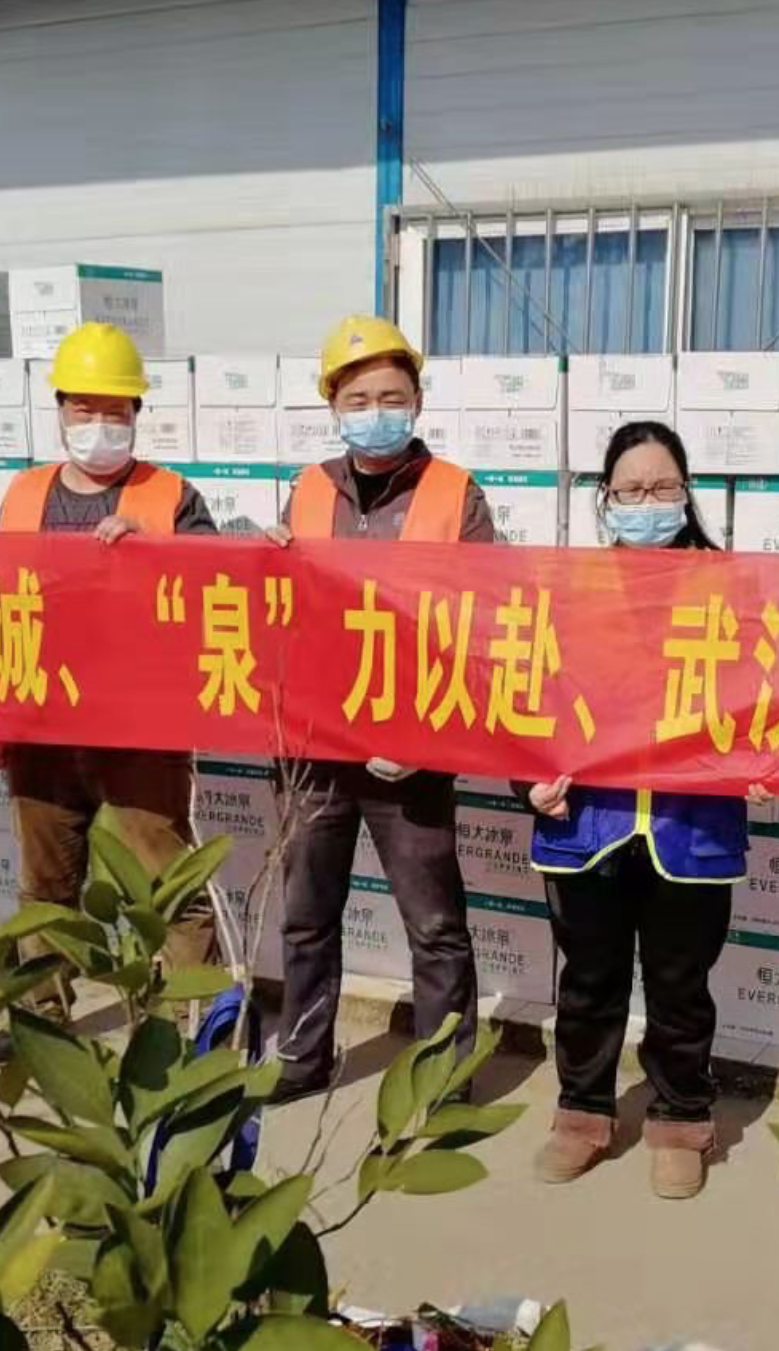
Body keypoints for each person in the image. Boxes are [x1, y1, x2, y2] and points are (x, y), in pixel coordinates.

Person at [520, 421, 771, 1200]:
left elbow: (771, 690)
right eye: (630, 490)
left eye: (663, 487)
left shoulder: (731, 588)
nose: (647, 502)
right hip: (587, 822)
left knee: (679, 983)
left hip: (688, 826)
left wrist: (769, 758)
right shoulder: (569, 590)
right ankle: (581, 1115)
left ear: (687, 493)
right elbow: (529, 694)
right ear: (605, 499)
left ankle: (681, 1120)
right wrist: (529, 780)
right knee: (587, 980)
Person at [264, 313, 497, 1104]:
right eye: (358, 398)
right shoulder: (307, 489)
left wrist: (431, 735)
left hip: (412, 751)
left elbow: (484, 624)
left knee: (434, 928)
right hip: (314, 747)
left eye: (392, 397)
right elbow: (283, 612)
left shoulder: (455, 494)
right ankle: (302, 1059)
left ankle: (442, 1079)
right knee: (306, 918)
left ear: (418, 400)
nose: (376, 412)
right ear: (333, 404)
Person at [0, 323, 221, 978]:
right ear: (60, 410)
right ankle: (43, 1018)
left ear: (136, 414)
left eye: (115, 411)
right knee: (46, 890)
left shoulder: (171, 496)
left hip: (140, 726)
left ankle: (195, 1017)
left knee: (169, 886)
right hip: (43, 723)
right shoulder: (24, 493)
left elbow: (218, 583)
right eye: (84, 409)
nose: (98, 424)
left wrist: (153, 544)